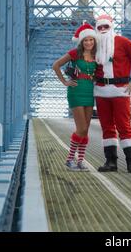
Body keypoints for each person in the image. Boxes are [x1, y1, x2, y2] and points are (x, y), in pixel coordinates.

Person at [94, 14, 131, 174]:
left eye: (106, 27)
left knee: (124, 126)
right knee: (107, 127)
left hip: (121, 90)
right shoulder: (93, 44)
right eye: (99, 27)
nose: (103, 30)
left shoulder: (123, 42)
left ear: (111, 27)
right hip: (101, 90)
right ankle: (111, 162)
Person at [52, 23, 98, 171]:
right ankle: (70, 159)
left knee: (86, 130)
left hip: (90, 93)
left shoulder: (97, 56)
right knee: (81, 127)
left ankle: (80, 161)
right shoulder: (74, 53)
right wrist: (65, 82)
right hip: (76, 92)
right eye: (86, 40)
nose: (89, 43)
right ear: (81, 42)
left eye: (91, 40)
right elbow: (56, 65)